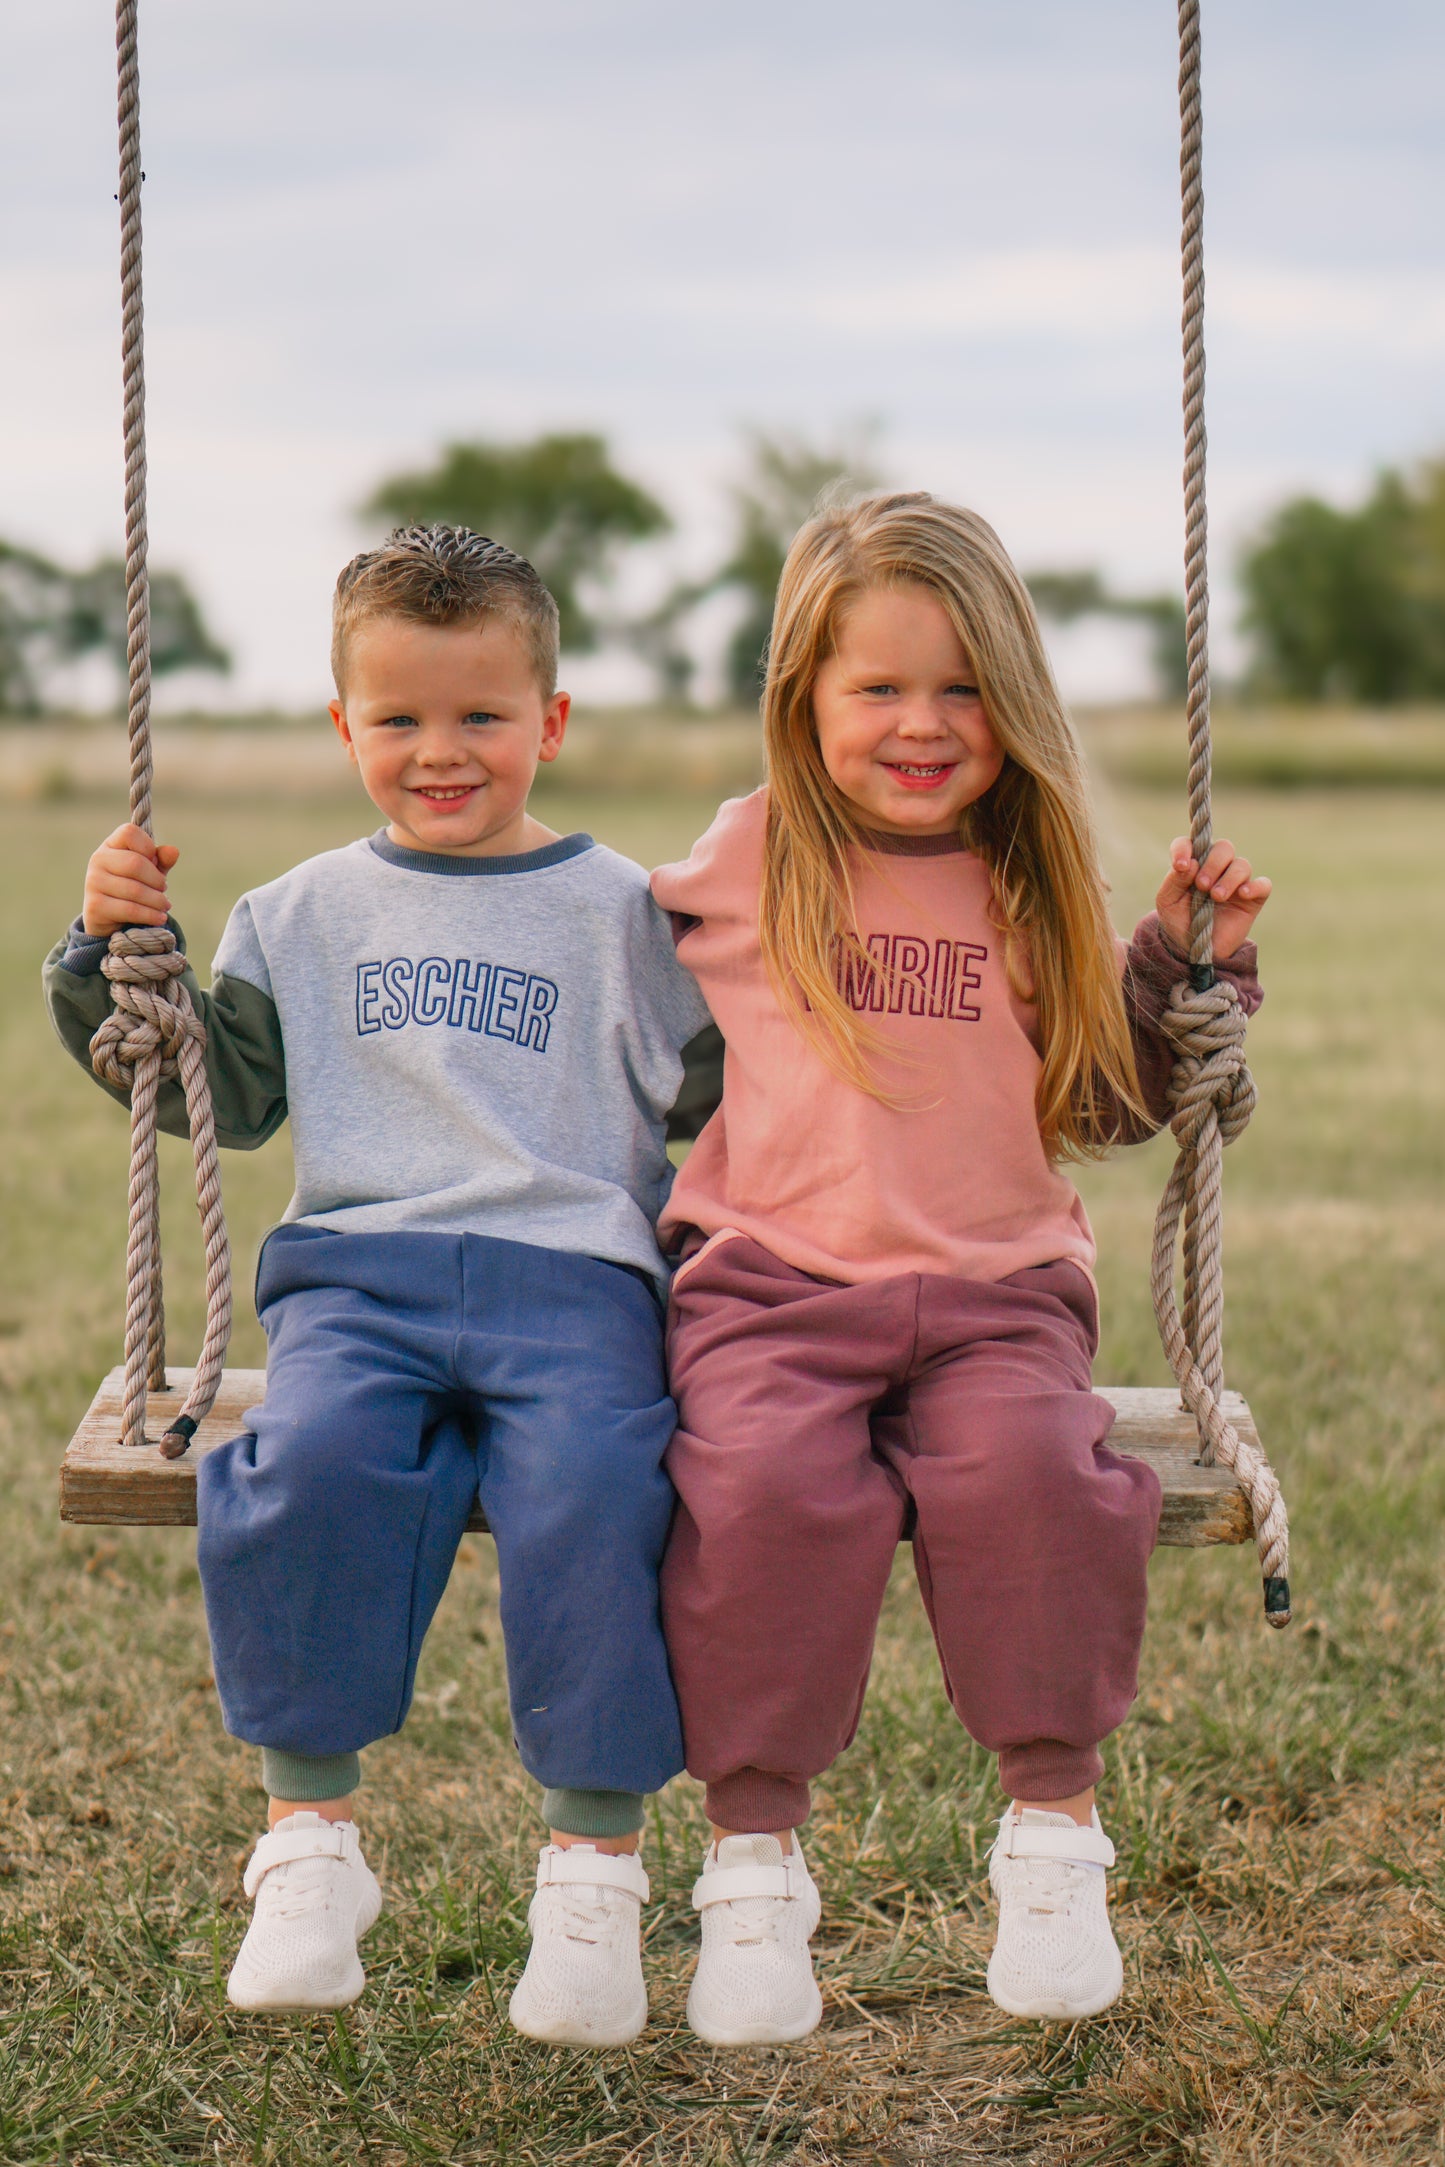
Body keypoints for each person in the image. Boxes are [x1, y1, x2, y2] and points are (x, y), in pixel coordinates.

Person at [42, 524, 715, 2046]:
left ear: (551, 721)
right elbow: (208, 1087)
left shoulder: (628, 913)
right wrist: (107, 951)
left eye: (481, 716)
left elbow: (734, 1103)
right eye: (398, 719)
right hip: (358, 1280)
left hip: (577, 1284)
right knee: (302, 1465)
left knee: (607, 1489)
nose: (440, 752)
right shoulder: (294, 914)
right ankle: (310, 1845)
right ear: (343, 724)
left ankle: (593, 1874)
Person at [650, 491, 1268, 2042]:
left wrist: (1183, 976)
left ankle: (1052, 1839)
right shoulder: (748, 855)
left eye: (962, 688)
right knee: (760, 1491)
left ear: (1013, 697)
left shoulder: (1031, 874)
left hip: (997, 1293)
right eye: (878, 688)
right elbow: (605, 1014)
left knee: (1035, 1480)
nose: (922, 725)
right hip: (772, 1283)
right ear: (803, 697)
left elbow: (1109, 1107)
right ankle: (752, 1869)